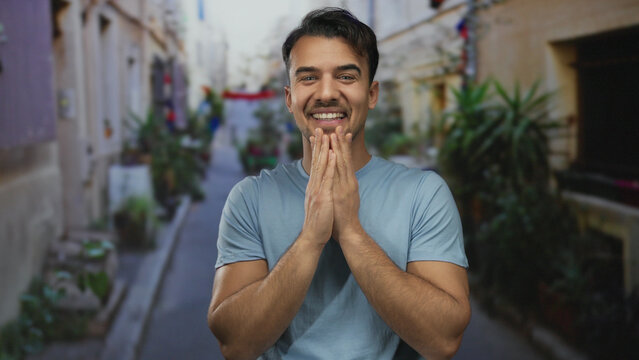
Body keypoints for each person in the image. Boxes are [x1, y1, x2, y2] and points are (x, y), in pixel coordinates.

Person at [207, 7, 470, 360]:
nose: (327, 93)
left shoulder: (424, 194)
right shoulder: (250, 199)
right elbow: (235, 344)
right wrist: (311, 239)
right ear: (290, 98)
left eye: (346, 76)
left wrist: (350, 232)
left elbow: (443, 341)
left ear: (372, 94)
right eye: (308, 77)